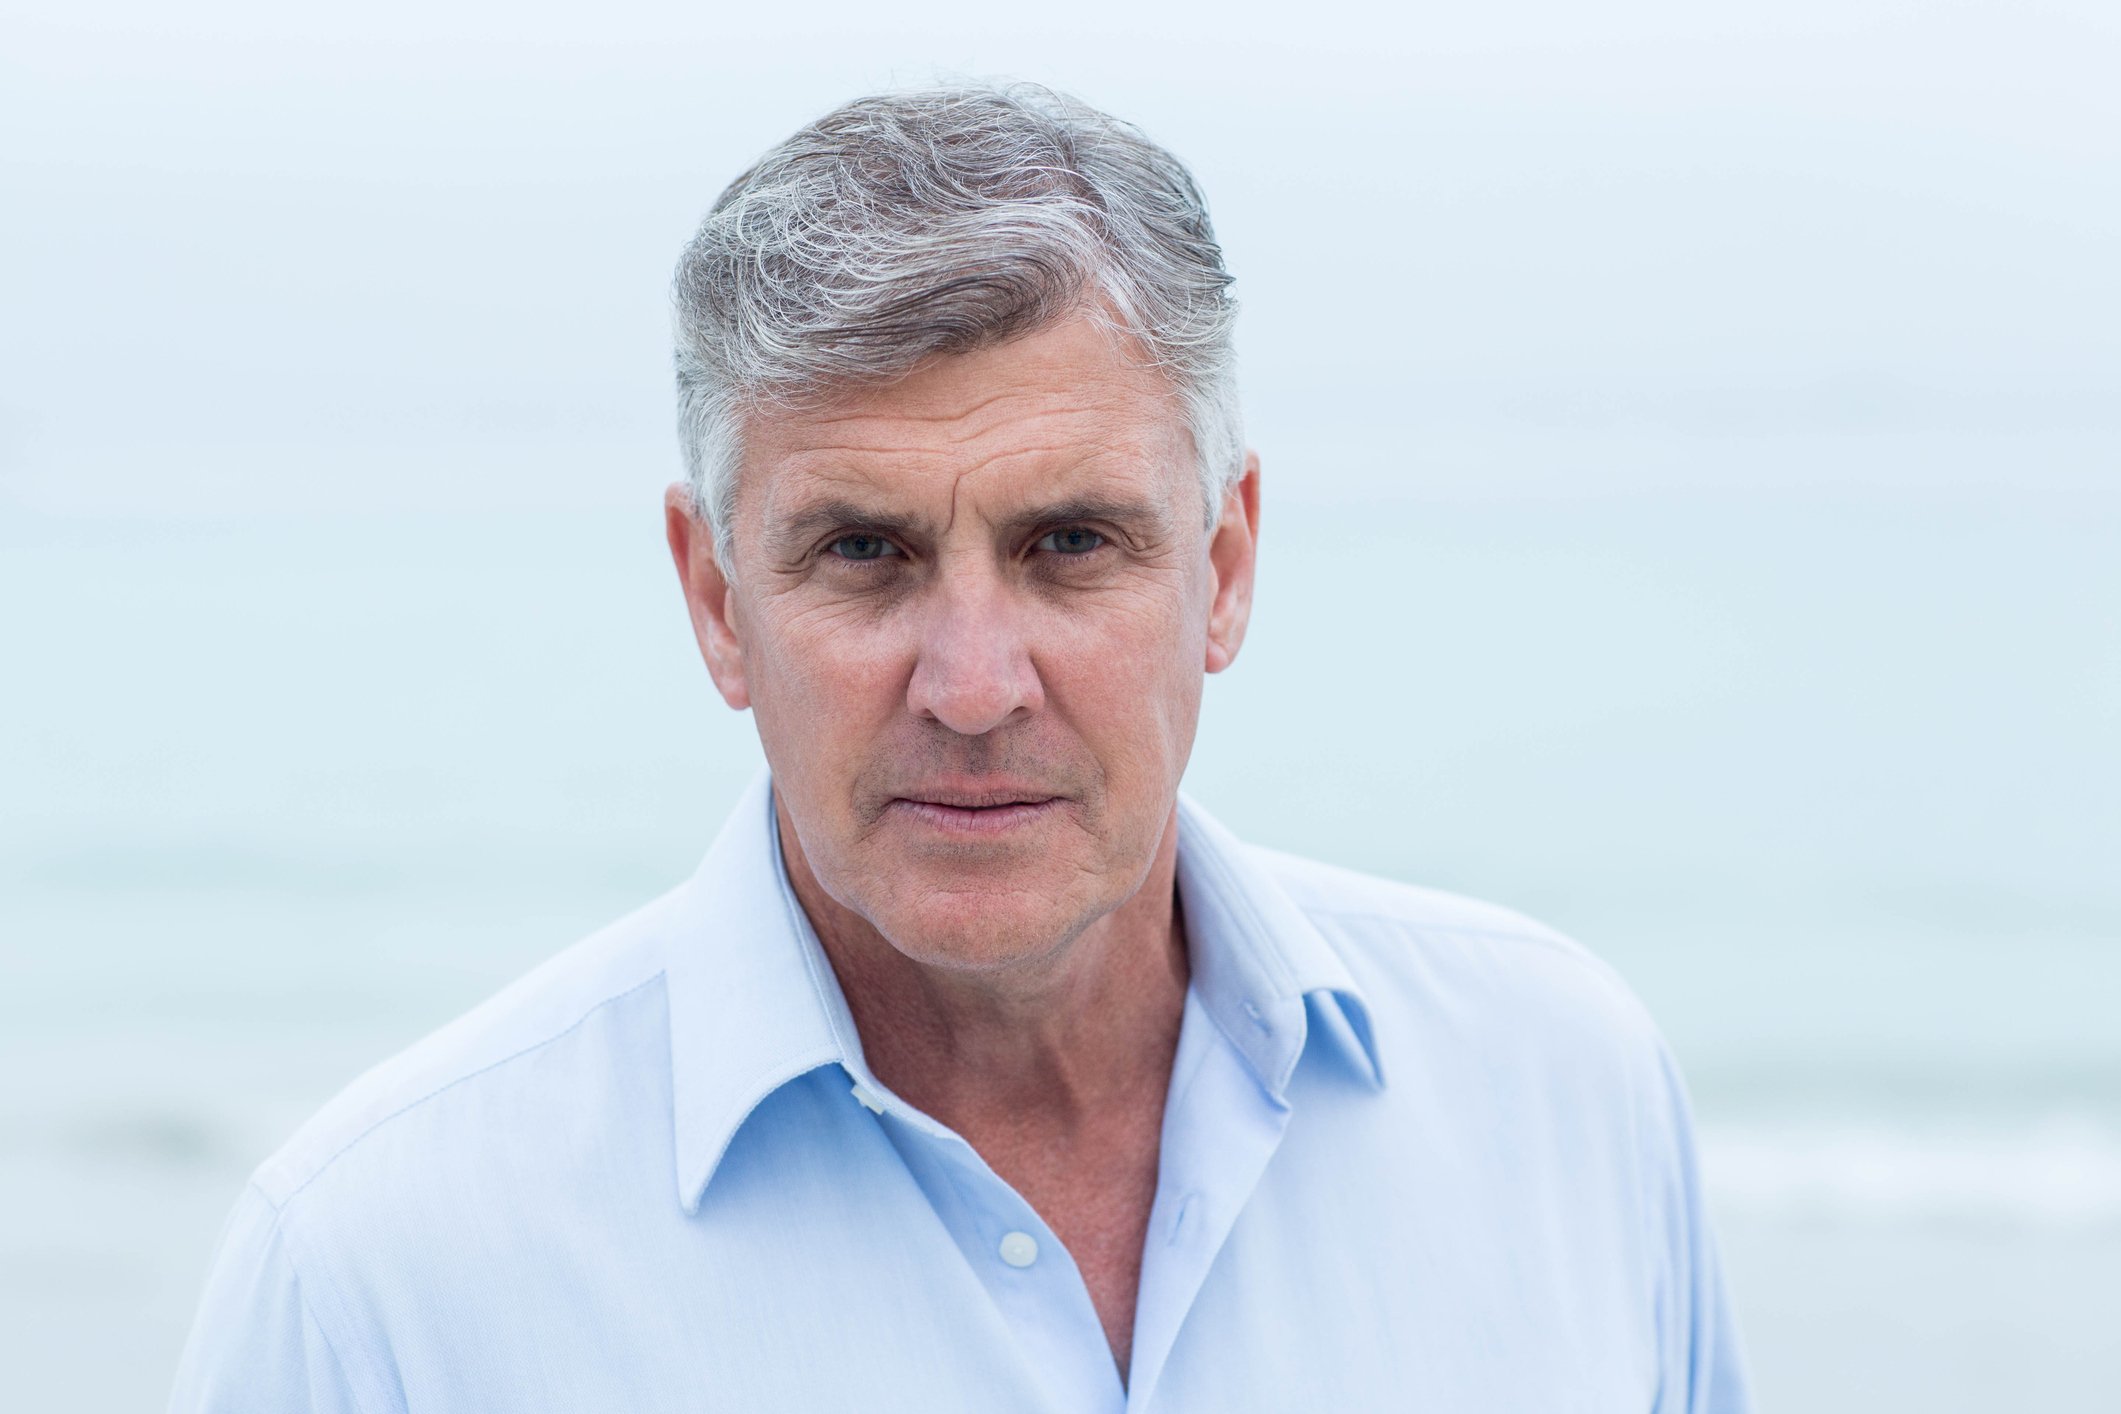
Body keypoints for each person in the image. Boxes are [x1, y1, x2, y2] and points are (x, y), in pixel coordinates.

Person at [170, 83, 1750, 1412]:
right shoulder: (379, 1279)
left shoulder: (1561, 1091)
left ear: (1225, 565)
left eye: (1070, 542)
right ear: (717, 600)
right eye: (863, 552)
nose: (975, 685)